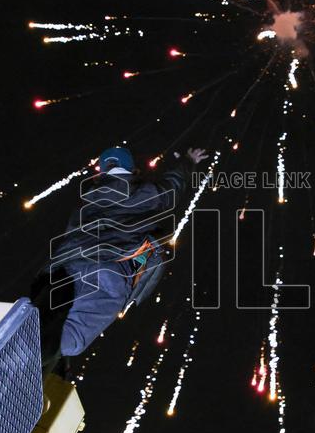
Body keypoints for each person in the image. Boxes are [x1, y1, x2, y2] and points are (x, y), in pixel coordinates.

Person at [32, 146, 209, 374]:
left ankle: (11, 362)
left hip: (58, 269)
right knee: (72, 339)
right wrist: (188, 161)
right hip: (107, 268)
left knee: (42, 323)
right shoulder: (143, 193)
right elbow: (172, 188)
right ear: (131, 169)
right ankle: (16, 369)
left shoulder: (87, 203)